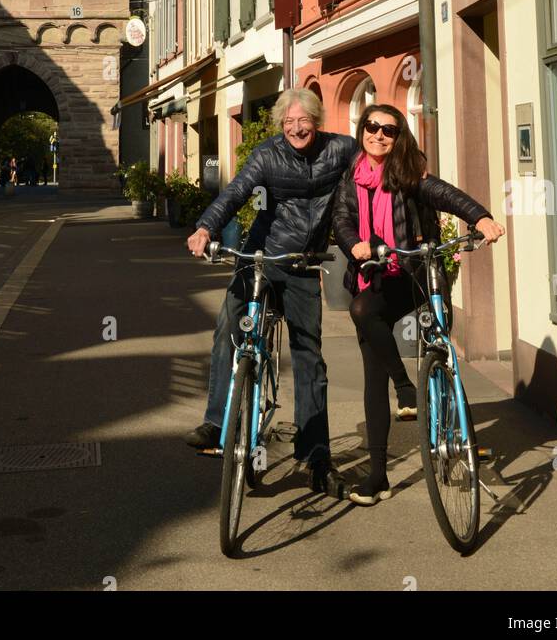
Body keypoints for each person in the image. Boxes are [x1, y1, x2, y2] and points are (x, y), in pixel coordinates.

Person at [331, 103, 506, 506]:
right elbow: (341, 219)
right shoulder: (350, 178)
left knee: (439, 352)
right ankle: (378, 472)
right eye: (371, 127)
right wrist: (353, 243)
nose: (378, 135)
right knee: (368, 338)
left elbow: (444, 195)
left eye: (388, 131)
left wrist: (480, 218)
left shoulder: (409, 174)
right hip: (375, 276)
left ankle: (454, 428)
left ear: (399, 138)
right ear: (362, 130)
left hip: (415, 276)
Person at [187, 88, 358, 498]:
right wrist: (206, 227)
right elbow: (235, 193)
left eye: (304, 121)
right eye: (289, 123)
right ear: (281, 126)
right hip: (260, 257)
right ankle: (218, 422)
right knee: (230, 324)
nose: (297, 128)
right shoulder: (267, 155)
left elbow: (377, 174)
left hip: (303, 262)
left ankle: (316, 457)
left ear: (317, 121)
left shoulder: (341, 150)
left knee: (309, 358)